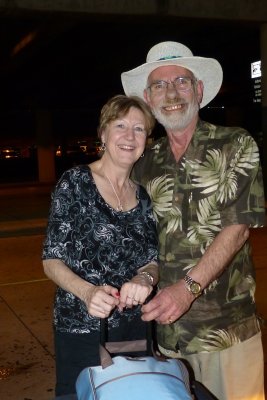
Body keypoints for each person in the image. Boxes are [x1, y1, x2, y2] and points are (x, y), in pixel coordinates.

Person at [121, 41, 266, 400]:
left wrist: (186, 290)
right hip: (168, 334)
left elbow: (237, 228)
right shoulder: (144, 161)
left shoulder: (234, 143)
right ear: (149, 98)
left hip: (227, 329)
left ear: (199, 90)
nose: (171, 93)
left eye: (182, 81)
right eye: (159, 85)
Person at [42, 94, 159, 397]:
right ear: (103, 133)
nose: (129, 136)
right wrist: (88, 292)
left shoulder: (143, 196)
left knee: (131, 392)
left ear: (146, 139)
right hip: (81, 328)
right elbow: (51, 259)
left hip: (133, 327)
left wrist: (145, 279)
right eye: (120, 125)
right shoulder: (76, 183)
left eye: (139, 128)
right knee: (80, 394)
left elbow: (151, 261)